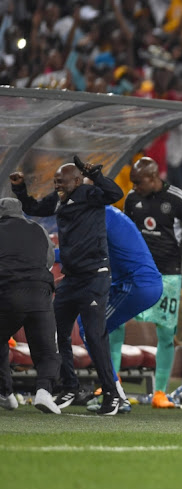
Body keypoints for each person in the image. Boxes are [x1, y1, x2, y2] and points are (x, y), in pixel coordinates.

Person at [10, 158, 124, 415]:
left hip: (95, 277)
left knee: (94, 336)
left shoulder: (90, 193)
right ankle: (70, 386)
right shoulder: (60, 198)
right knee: (54, 332)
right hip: (72, 279)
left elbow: (115, 194)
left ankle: (111, 394)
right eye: (55, 182)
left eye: (61, 182)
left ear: (76, 181)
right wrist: (20, 189)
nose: (57, 186)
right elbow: (34, 208)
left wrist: (95, 174)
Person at [125, 157, 182, 409]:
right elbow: (126, 231)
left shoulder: (178, 199)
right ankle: (111, 384)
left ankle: (160, 392)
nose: (135, 187)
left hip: (168, 273)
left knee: (166, 332)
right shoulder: (131, 198)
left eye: (139, 182)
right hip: (137, 271)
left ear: (153, 177)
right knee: (114, 324)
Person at [72, 200, 163, 410]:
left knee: (91, 327)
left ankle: (114, 393)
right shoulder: (107, 213)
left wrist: (45, 255)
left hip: (136, 284)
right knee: (88, 325)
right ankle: (112, 390)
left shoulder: (101, 216)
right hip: (134, 282)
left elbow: (87, 256)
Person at [0, 198, 60, 414]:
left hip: (7, 293)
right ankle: (44, 391)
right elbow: (49, 261)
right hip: (41, 292)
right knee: (47, 349)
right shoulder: (39, 229)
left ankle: (5, 393)